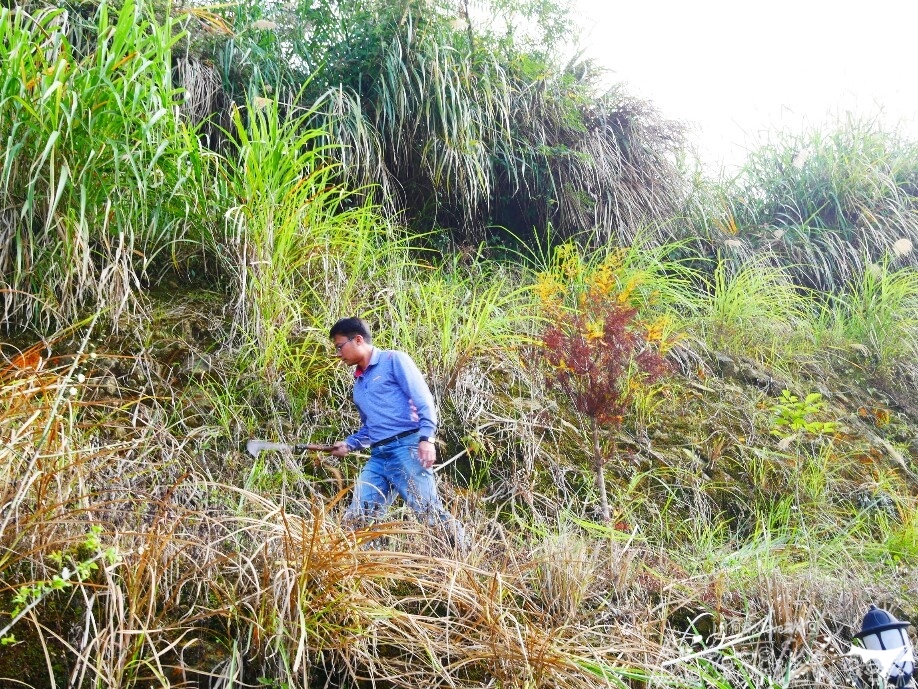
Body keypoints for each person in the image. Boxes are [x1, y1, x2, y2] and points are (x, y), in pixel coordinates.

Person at [329, 317, 464, 544]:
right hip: (378, 457)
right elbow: (370, 429)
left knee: (429, 513)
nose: (338, 354)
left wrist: (427, 438)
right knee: (359, 518)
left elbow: (424, 400)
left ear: (358, 340)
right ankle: (363, 569)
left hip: (406, 448)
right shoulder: (359, 384)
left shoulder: (394, 360)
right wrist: (349, 444)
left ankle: (462, 555)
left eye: (339, 346)